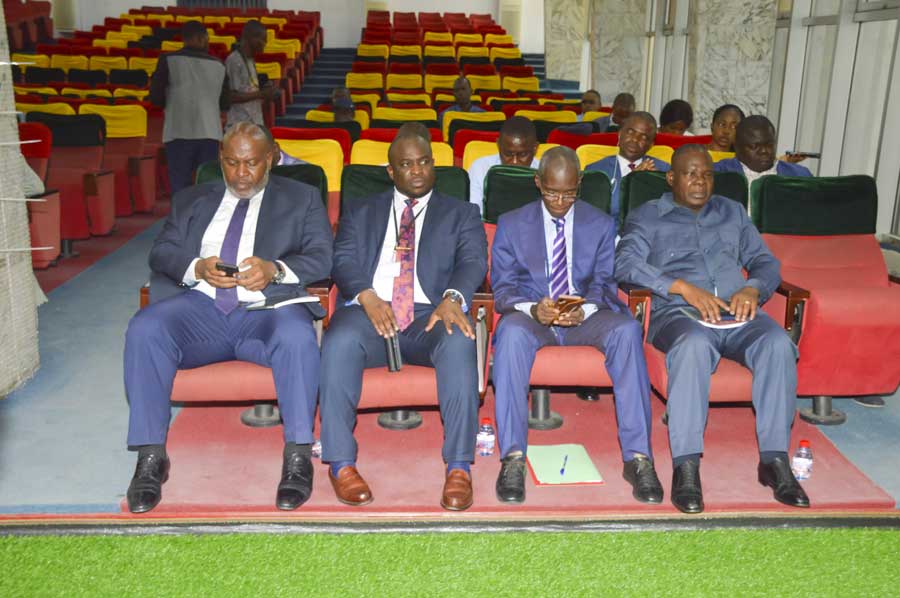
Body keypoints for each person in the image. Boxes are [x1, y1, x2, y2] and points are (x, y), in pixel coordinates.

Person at [122, 122, 333, 514]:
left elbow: (322, 257)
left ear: (271, 158)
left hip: (266, 310)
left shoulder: (301, 198)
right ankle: (151, 457)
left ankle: (298, 456)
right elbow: (162, 251)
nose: (241, 173)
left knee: (297, 335)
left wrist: (274, 270)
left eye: (251, 163)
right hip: (200, 309)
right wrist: (197, 267)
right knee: (145, 328)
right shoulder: (191, 199)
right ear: (220, 159)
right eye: (232, 162)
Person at [615, 144, 809, 514]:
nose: (700, 182)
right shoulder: (648, 216)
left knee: (777, 343)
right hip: (679, 315)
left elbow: (765, 261)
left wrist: (753, 288)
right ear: (671, 178)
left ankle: (774, 461)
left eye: (706, 174)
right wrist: (681, 287)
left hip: (737, 313)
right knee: (693, 346)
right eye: (690, 174)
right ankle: (686, 466)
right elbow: (624, 263)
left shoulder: (731, 212)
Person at [319, 123, 487, 512]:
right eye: (407, 164)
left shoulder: (462, 213)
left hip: (430, 313)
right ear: (391, 171)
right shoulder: (361, 210)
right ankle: (341, 464)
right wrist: (366, 296)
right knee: (339, 340)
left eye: (424, 162)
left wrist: (453, 298)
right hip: (370, 310)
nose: (417, 171)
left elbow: (473, 260)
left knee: (459, 339)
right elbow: (342, 259)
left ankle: (459, 467)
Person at [490, 147, 661, 505]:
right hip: (533, 317)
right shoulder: (511, 223)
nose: (560, 202)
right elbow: (503, 289)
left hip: (585, 316)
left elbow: (604, 283)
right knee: (510, 333)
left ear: (580, 184)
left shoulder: (600, 224)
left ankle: (638, 458)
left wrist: (583, 310)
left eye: (569, 193)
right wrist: (533, 309)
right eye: (552, 192)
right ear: (538, 183)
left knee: (627, 331)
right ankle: (513, 459)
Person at [149, 20, 230, 194]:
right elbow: (225, 103)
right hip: (209, 133)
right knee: (207, 186)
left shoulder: (168, 60)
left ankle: (181, 212)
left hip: (178, 131)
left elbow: (155, 98)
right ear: (202, 38)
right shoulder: (219, 65)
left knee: (180, 187)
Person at [585, 112, 670, 224]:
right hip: (611, 232)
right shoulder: (596, 169)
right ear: (620, 134)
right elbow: (594, 214)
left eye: (644, 137)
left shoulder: (664, 170)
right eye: (630, 132)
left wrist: (656, 183)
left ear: (651, 145)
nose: (635, 140)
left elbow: (669, 213)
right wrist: (632, 179)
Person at [468, 116, 540, 216]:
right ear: (498, 145)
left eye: (523, 155)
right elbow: (474, 213)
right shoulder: (480, 168)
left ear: (535, 148)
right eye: (507, 154)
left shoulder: (545, 172)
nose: (514, 162)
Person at [714, 115, 812, 185]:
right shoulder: (717, 173)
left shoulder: (800, 175)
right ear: (737, 147)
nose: (764, 151)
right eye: (754, 146)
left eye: (769, 145)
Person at [225, 20, 280, 128]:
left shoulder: (250, 60)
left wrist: (266, 90)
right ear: (251, 38)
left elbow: (248, 89)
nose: (265, 43)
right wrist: (261, 94)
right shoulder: (234, 60)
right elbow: (231, 96)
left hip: (253, 123)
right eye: (263, 39)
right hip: (239, 125)